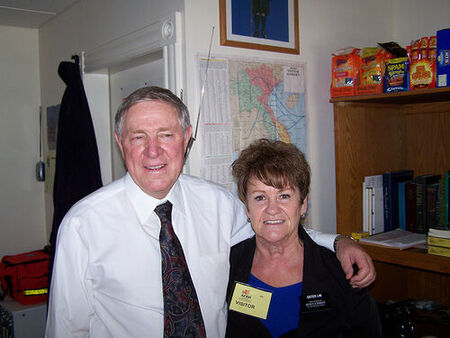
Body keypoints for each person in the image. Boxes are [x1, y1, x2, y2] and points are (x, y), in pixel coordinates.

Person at [46, 86, 375, 337]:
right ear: (120, 142)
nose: (153, 151)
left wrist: (338, 242)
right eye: (138, 137)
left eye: (166, 134)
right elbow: (66, 328)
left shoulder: (217, 204)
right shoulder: (83, 225)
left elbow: (273, 227)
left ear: (186, 138)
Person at [226, 139, 381, 337]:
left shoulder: (341, 272)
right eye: (260, 197)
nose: (272, 209)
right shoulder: (228, 266)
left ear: (302, 205)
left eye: (284, 196)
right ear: (247, 208)